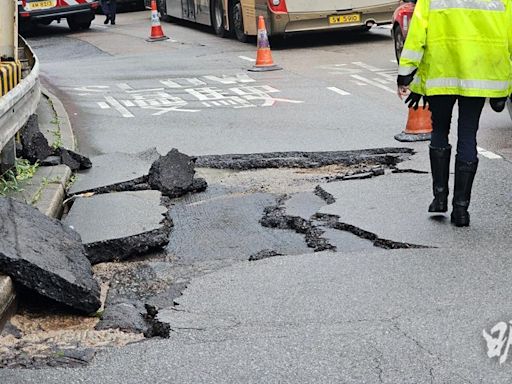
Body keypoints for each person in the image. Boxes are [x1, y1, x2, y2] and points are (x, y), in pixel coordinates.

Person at [397, 0, 512, 227]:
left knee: (439, 129)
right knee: (468, 135)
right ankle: (461, 210)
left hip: (442, 73)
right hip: (479, 75)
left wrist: (406, 73)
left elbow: (418, 35)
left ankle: (440, 198)